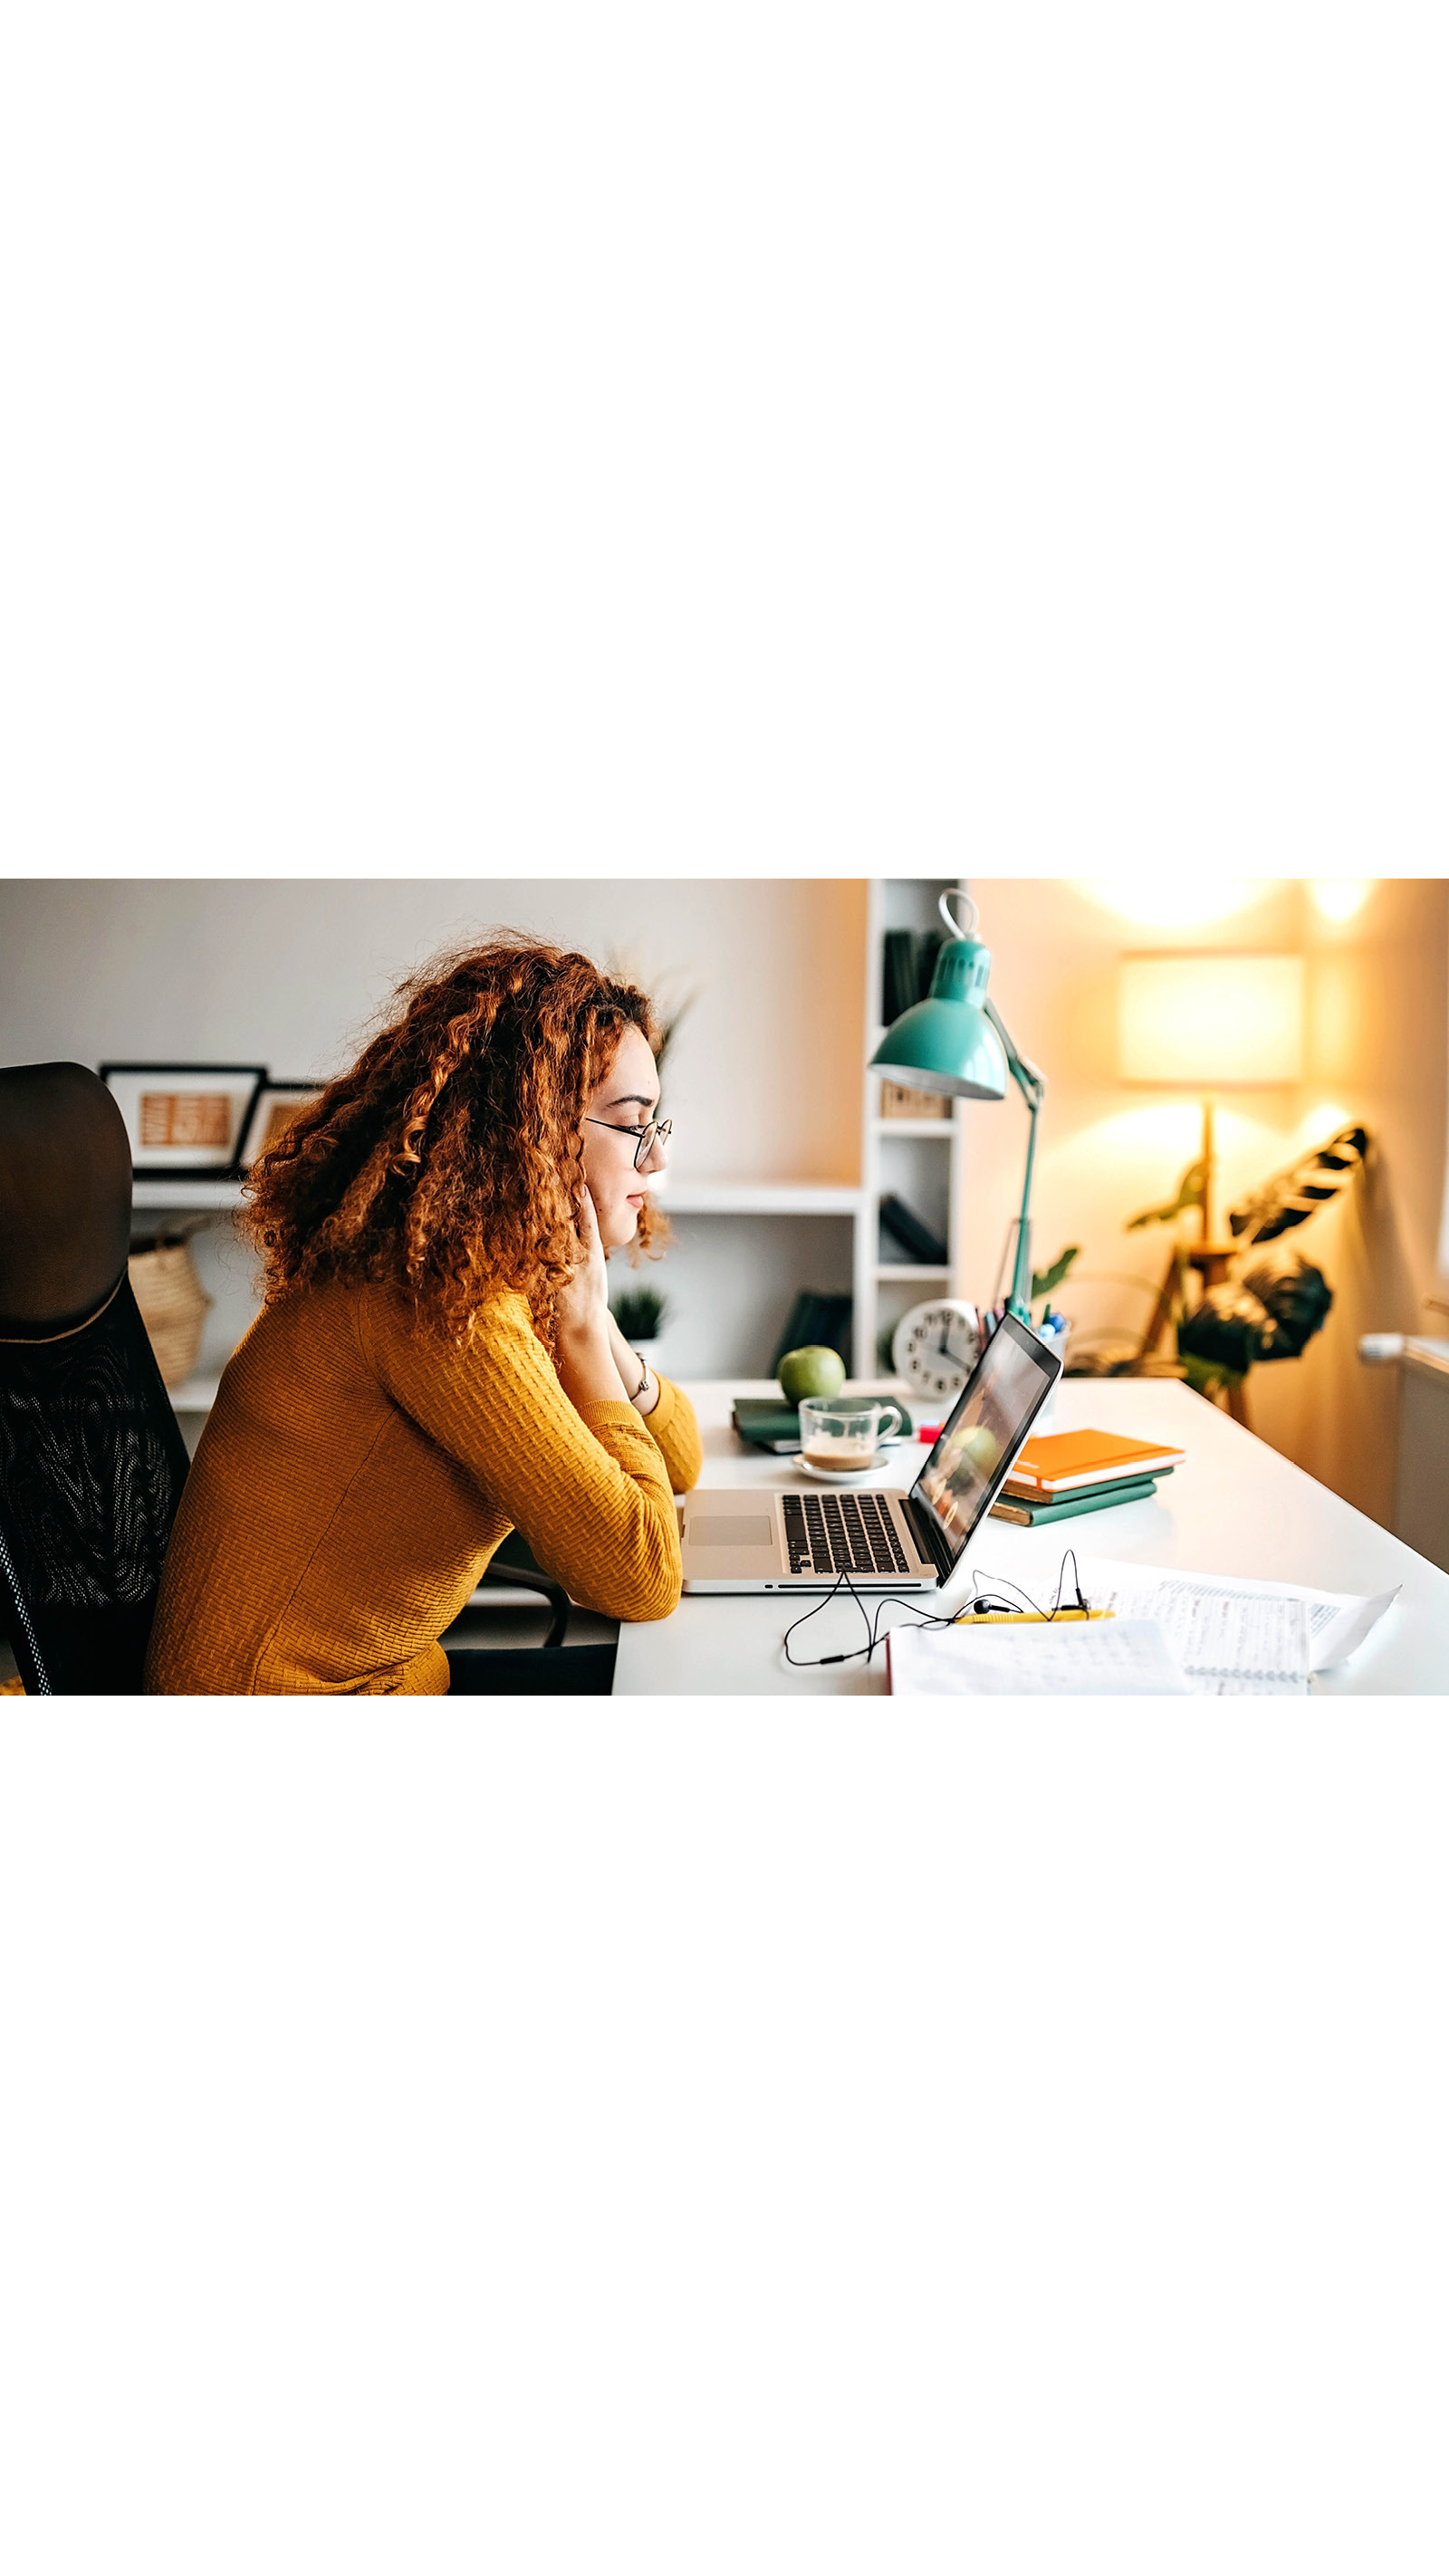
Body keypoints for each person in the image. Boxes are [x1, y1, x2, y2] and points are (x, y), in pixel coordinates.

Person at [144, 937, 702, 1695]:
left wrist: (590, 1315)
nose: (656, 1159)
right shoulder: (440, 1303)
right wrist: (579, 1328)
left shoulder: (496, 1272)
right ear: (534, 1130)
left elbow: (681, 1463)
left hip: (385, 1679)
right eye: (634, 1123)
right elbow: (642, 1577)